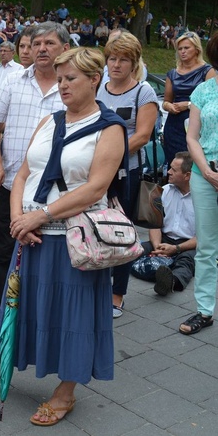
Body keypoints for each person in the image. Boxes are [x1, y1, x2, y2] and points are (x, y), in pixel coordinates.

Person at [0, 47, 127, 428]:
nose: (62, 85)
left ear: (94, 80)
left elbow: (96, 187)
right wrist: (17, 219)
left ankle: (65, 392)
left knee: (73, 312)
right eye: (59, 79)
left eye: (71, 79)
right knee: (17, 301)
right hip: (29, 232)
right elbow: (24, 172)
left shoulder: (110, 128)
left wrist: (39, 216)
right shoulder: (50, 120)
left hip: (74, 240)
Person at [0, 22, 69, 348]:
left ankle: (44, 330)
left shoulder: (73, 85)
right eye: (37, 43)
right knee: (3, 257)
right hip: (11, 188)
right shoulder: (14, 81)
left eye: (49, 43)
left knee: (50, 262)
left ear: (64, 48)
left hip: (59, 195)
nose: (41, 48)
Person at [96, 32, 158, 318]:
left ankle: (117, 293)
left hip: (126, 171)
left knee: (122, 232)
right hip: (95, 168)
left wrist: (110, 154)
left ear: (134, 64)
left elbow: (143, 135)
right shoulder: (98, 88)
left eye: (124, 59)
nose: (116, 64)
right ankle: (95, 285)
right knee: (94, 228)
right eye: (112, 58)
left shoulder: (143, 91)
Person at [179, 32, 218, 335]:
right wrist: (205, 171)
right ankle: (204, 311)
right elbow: (192, 137)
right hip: (206, 174)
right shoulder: (204, 91)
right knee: (206, 247)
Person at [132, 151, 196, 295]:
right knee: (135, 250)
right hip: (164, 239)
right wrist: (158, 248)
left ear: (187, 176)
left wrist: (176, 248)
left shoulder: (203, 199)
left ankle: (171, 282)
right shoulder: (164, 191)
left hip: (189, 243)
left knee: (186, 261)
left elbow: (203, 238)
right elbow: (155, 224)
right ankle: (111, 270)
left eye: (174, 169)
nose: (168, 172)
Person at [163, 32, 216, 164]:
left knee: (192, 163)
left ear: (197, 49)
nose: (183, 52)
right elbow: (165, 101)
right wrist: (169, 106)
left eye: (186, 48)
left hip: (198, 121)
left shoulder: (207, 71)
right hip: (174, 123)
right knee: (175, 163)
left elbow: (213, 101)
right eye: (180, 49)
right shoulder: (173, 73)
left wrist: (187, 105)